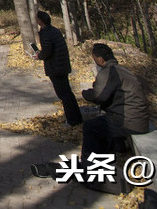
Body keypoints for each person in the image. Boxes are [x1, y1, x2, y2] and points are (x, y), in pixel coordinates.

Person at [31, 42, 150, 192]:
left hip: (129, 121)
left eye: (94, 59)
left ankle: (89, 169)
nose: (95, 62)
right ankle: (102, 160)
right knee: (101, 124)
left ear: (100, 59)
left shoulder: (109, 72)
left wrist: (85, 93)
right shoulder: (121, 70)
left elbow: (99, 95)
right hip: (137, 119)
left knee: (91, 127)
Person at [30, 10, 82, 127]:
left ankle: (72, 120)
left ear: (40, 21)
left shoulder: (45, 33)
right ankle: (77, 117)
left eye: (37, 19)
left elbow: (48, 51)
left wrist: (39, 56)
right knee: (68, 93)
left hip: (55, 67)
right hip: (63, 65)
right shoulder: (55, 30)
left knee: (63, 94)